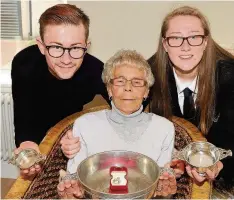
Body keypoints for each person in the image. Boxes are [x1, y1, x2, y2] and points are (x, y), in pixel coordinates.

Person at [57, 50, 176, 198]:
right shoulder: (85, 125)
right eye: (120, 81)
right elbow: (75, 179)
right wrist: (71, 190)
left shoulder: (163, 128)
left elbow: (162, 187)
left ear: (146, 91)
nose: (128, 88)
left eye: (137, 82)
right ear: (109, 89)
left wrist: (165, 189)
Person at [12, 4, 109, 178]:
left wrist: (82, 134)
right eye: (56, 47)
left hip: (74, 139)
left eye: (76, 48)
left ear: (87, 46)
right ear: (41, 46)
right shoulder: (24, 64)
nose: (66, 59)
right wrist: (28, 146)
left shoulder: (96, 70)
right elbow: (24, 117)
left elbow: (125, 108)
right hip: (40, 139)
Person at [148, 6, 234, 185]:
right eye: (176, 38)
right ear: (164, 44)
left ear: (205, 42)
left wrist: (222, 165)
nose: (185, 47)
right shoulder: (148, 75)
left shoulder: (229, 77)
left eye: (194, 37)